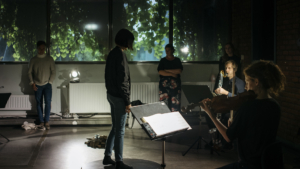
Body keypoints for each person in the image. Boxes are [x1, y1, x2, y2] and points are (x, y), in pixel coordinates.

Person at [201, 60, 285, 169]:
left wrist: (210, 113)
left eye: (248, 81)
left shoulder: (248, 107)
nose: (246, 87)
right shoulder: (275, 105)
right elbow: (256, 132)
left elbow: (228, 137)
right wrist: (236, 126)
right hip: (267, 164)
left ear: (256, 82)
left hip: (248, 164)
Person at [104, 29, 134, 169]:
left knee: (115, 127)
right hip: (119, 98)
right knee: (120, 130)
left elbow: (109, 77)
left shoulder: (112, 53)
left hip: (111, 94)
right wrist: (127, 102)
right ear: (126, 41)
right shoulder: (120, 55)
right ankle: (119, 162)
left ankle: (107, 156)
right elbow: (123, 81)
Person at [28, 41, 55, 130]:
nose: (41, 50)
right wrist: (32, 83)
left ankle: (46, 121)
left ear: (45, 49)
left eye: (43, 48)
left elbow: (53, 72)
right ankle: (41, 121)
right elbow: (29, 72)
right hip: (37, 85)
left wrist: (50, 82)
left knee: (48, 102)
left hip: (47, 84)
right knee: (39, 103)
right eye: (40, 48)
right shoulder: (33, 59)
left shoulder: (49, 59)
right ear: (37, 48)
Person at [157, 44, 183, 112]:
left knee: (175, 103)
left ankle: (175, 119)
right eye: (166, 50)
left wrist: (166, 70)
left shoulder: (177, 60)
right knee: (164, 103)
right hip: (164, 85)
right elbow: (160, 71)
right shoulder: (163, 60)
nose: (167, 52)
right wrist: (172, 74)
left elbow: (179, 70)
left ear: (172, 50)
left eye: (168, 50)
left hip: (175, 85)